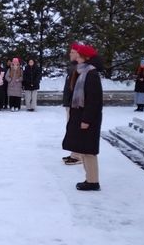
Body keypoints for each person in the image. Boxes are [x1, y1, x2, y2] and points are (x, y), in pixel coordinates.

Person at [62, 44, 103, 191]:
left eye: (78, 55)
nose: (75, 57)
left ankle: (93, 182)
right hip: (81, 117)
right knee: (84, 149)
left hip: (88, 119)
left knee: (89, 151)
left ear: (85, 57)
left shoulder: (91, 74)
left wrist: (86, 120)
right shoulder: (83, 71)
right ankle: (90, 179)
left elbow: (93, 101)